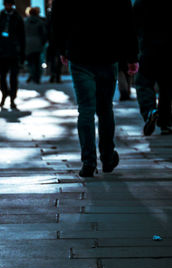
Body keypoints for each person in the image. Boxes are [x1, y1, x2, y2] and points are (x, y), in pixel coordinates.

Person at [52, 0, 139, 177]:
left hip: (79, 53)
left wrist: (62, 48)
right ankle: (107, 157)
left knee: (85, 110)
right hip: (107, 53)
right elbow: (127, 21)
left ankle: (88, 162)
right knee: (105, 109)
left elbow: (58, 18)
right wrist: (132, 55)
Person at [134, 0, 172, 136]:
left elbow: (134, 26)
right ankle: (166, 123)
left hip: (149, 48)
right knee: (166, 87)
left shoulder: (141, 3)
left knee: (143, 83)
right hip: (168, 49)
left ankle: (150, 110)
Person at [0, 0, 25, 109]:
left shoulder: (17, 18)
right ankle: (5, 94)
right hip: (2, 51)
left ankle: (12, 98)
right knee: (3, 76)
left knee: (13, 77)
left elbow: (22, 36)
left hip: (14, 52)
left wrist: (22, 53)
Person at [24, 7, 47, 84]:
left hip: (28, 43)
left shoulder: (26, 22)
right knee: (37, 61)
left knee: (30, 61)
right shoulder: (40, 21)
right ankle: (36, 77)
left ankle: (32, 75)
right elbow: (44, 34)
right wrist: (43, 42)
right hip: (38, 43)